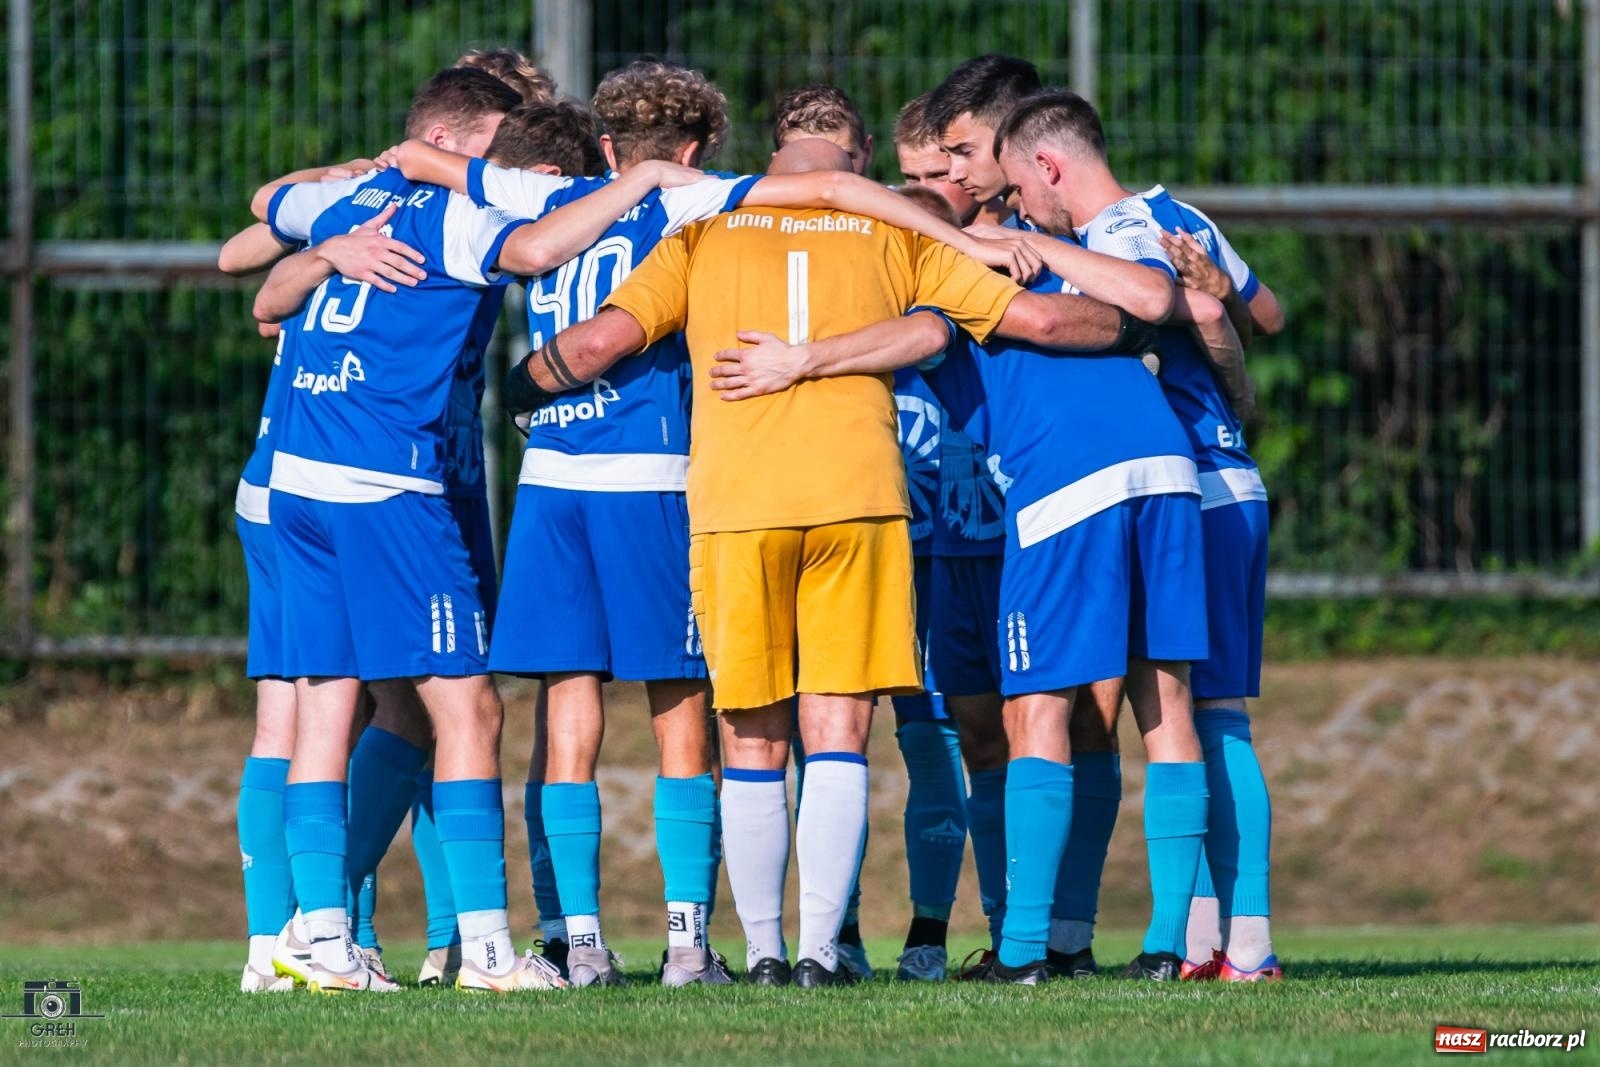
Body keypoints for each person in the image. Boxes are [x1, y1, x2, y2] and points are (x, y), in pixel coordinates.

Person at [501, 136, 1158, 987]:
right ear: (847, 156)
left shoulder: (702, 234)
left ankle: (765, 951)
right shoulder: (896, 233)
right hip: (859, 496)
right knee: (839, 730)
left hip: (739, 504)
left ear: (769, 155)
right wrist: (1136, 321)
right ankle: (821, 952)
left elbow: (599, 345)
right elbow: (1034, 318)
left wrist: (521, 387)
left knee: (751, 735)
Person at [247, 69, 707, 993]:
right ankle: (492, 954)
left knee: (329, 702)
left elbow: (252, 238)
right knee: (471, 708)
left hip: (294, 478)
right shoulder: (452, 214)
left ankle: (313, 940)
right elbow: (536, 250)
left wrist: (323, 246)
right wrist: (641, 182)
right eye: (494, 150)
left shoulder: (346, 198)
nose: (501, 170)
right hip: (383, 485)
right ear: (454, 144)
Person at [395, 59, 738, 988]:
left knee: (567, 702)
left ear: (609, 144)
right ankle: (685, 943)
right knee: (679, 708)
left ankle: (577, 940)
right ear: (696, 145)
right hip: (651, 476)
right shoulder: (695, 200)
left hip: (551, 477)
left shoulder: (551, 203)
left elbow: (443, 171)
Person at [992, 90, 1285, 983]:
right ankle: (1210, 943)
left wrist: (1212, 346)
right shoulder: (1178, 212)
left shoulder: (1108, 238)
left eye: (1018, 188)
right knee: (1198, 711)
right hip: (1230, 478)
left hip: (1188, 483)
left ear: (1048, 167)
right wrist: (1224, 322)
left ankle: (1237, 944)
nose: (1018, 210)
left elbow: (1181, 315)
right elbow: (1262, 314)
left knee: (1190, 710)